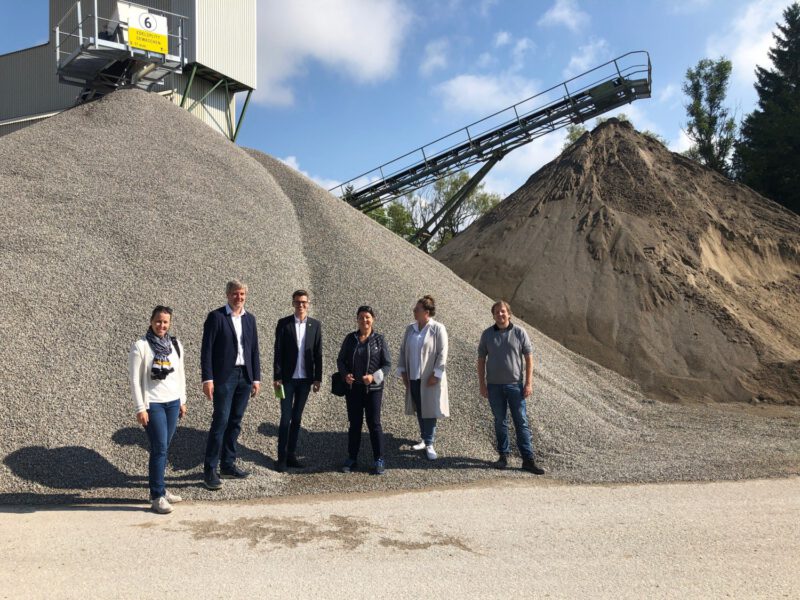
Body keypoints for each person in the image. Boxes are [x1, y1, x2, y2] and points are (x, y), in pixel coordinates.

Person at [201, 280, 261, 490]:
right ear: (228, 295)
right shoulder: (216, 317)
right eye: (235, 294)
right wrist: (207, 379)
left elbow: (253, 350)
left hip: (244, 376)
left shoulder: (249, 319)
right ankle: (210, 470)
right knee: (220, 421)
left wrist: (256, 378)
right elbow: (206, 349)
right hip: (224, 378)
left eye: (242, 294)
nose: (239, 297)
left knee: (235, 421)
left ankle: (228, 464)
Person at [128, 306, 188, 514]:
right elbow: (135, 380)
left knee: (164, 446)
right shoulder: (141, 346)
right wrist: (140, 408)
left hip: (172, 403)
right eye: (158, 321)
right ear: (151, 321)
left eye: (165, 322)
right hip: (153, 405)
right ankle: (156, 496)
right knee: (159, 447)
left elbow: (180, 374)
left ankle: (161, 488)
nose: (162, 325)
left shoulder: (175, 345)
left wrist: (182, 400)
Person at [477, 300, 545, 475]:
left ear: (509, 314)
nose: (500, 314)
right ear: (493, 315)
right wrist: (482, 384)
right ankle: (503, 456)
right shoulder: (487, 335)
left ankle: (528, 460)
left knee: (521, 421)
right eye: (497, 312)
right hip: (494, 387)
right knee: (500, 422)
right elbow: (481, 360)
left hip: (515, 386)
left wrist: (529, 383)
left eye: (503, 311)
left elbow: (529, 359)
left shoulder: (520, 333)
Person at [336, 305, 392, 475]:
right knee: (354, 424)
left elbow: (387, 364)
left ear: (373, 319)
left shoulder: (379, 340)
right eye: (361, 317)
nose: (364, 320)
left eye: (367, 317)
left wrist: (374, 377)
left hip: (373, 390)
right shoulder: (350, 339)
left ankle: (379, 459)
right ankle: (352, 457)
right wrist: (345, 375)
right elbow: (341, 360)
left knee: (374, 424)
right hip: (353, 389)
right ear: (357, 320)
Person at [272, 289, 323, 472]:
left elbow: (318, 353)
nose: (301, 305)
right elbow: (278, 352)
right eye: (297, 302)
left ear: (308, 303)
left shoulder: (315, 325)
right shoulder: (284, 324)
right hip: (287, 380)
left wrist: (318, 378)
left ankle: (292, 455)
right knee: (286, 418)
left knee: (297, 418)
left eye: (304, 302)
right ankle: (281, 458)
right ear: (293, 303)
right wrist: (276, 376)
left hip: (305, 381)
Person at [396, 295, 449, 460]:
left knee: (430, 409)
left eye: (416, 309)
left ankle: (430, 443)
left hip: (429, 377)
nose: (414, 311)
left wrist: (436, 374)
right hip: (413, 376)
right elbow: (403, 350)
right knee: (419, 407)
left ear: (426, 312)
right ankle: (424, 438)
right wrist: (403, 371)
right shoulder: (410, 328)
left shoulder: (438, 328)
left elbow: (443, 352)